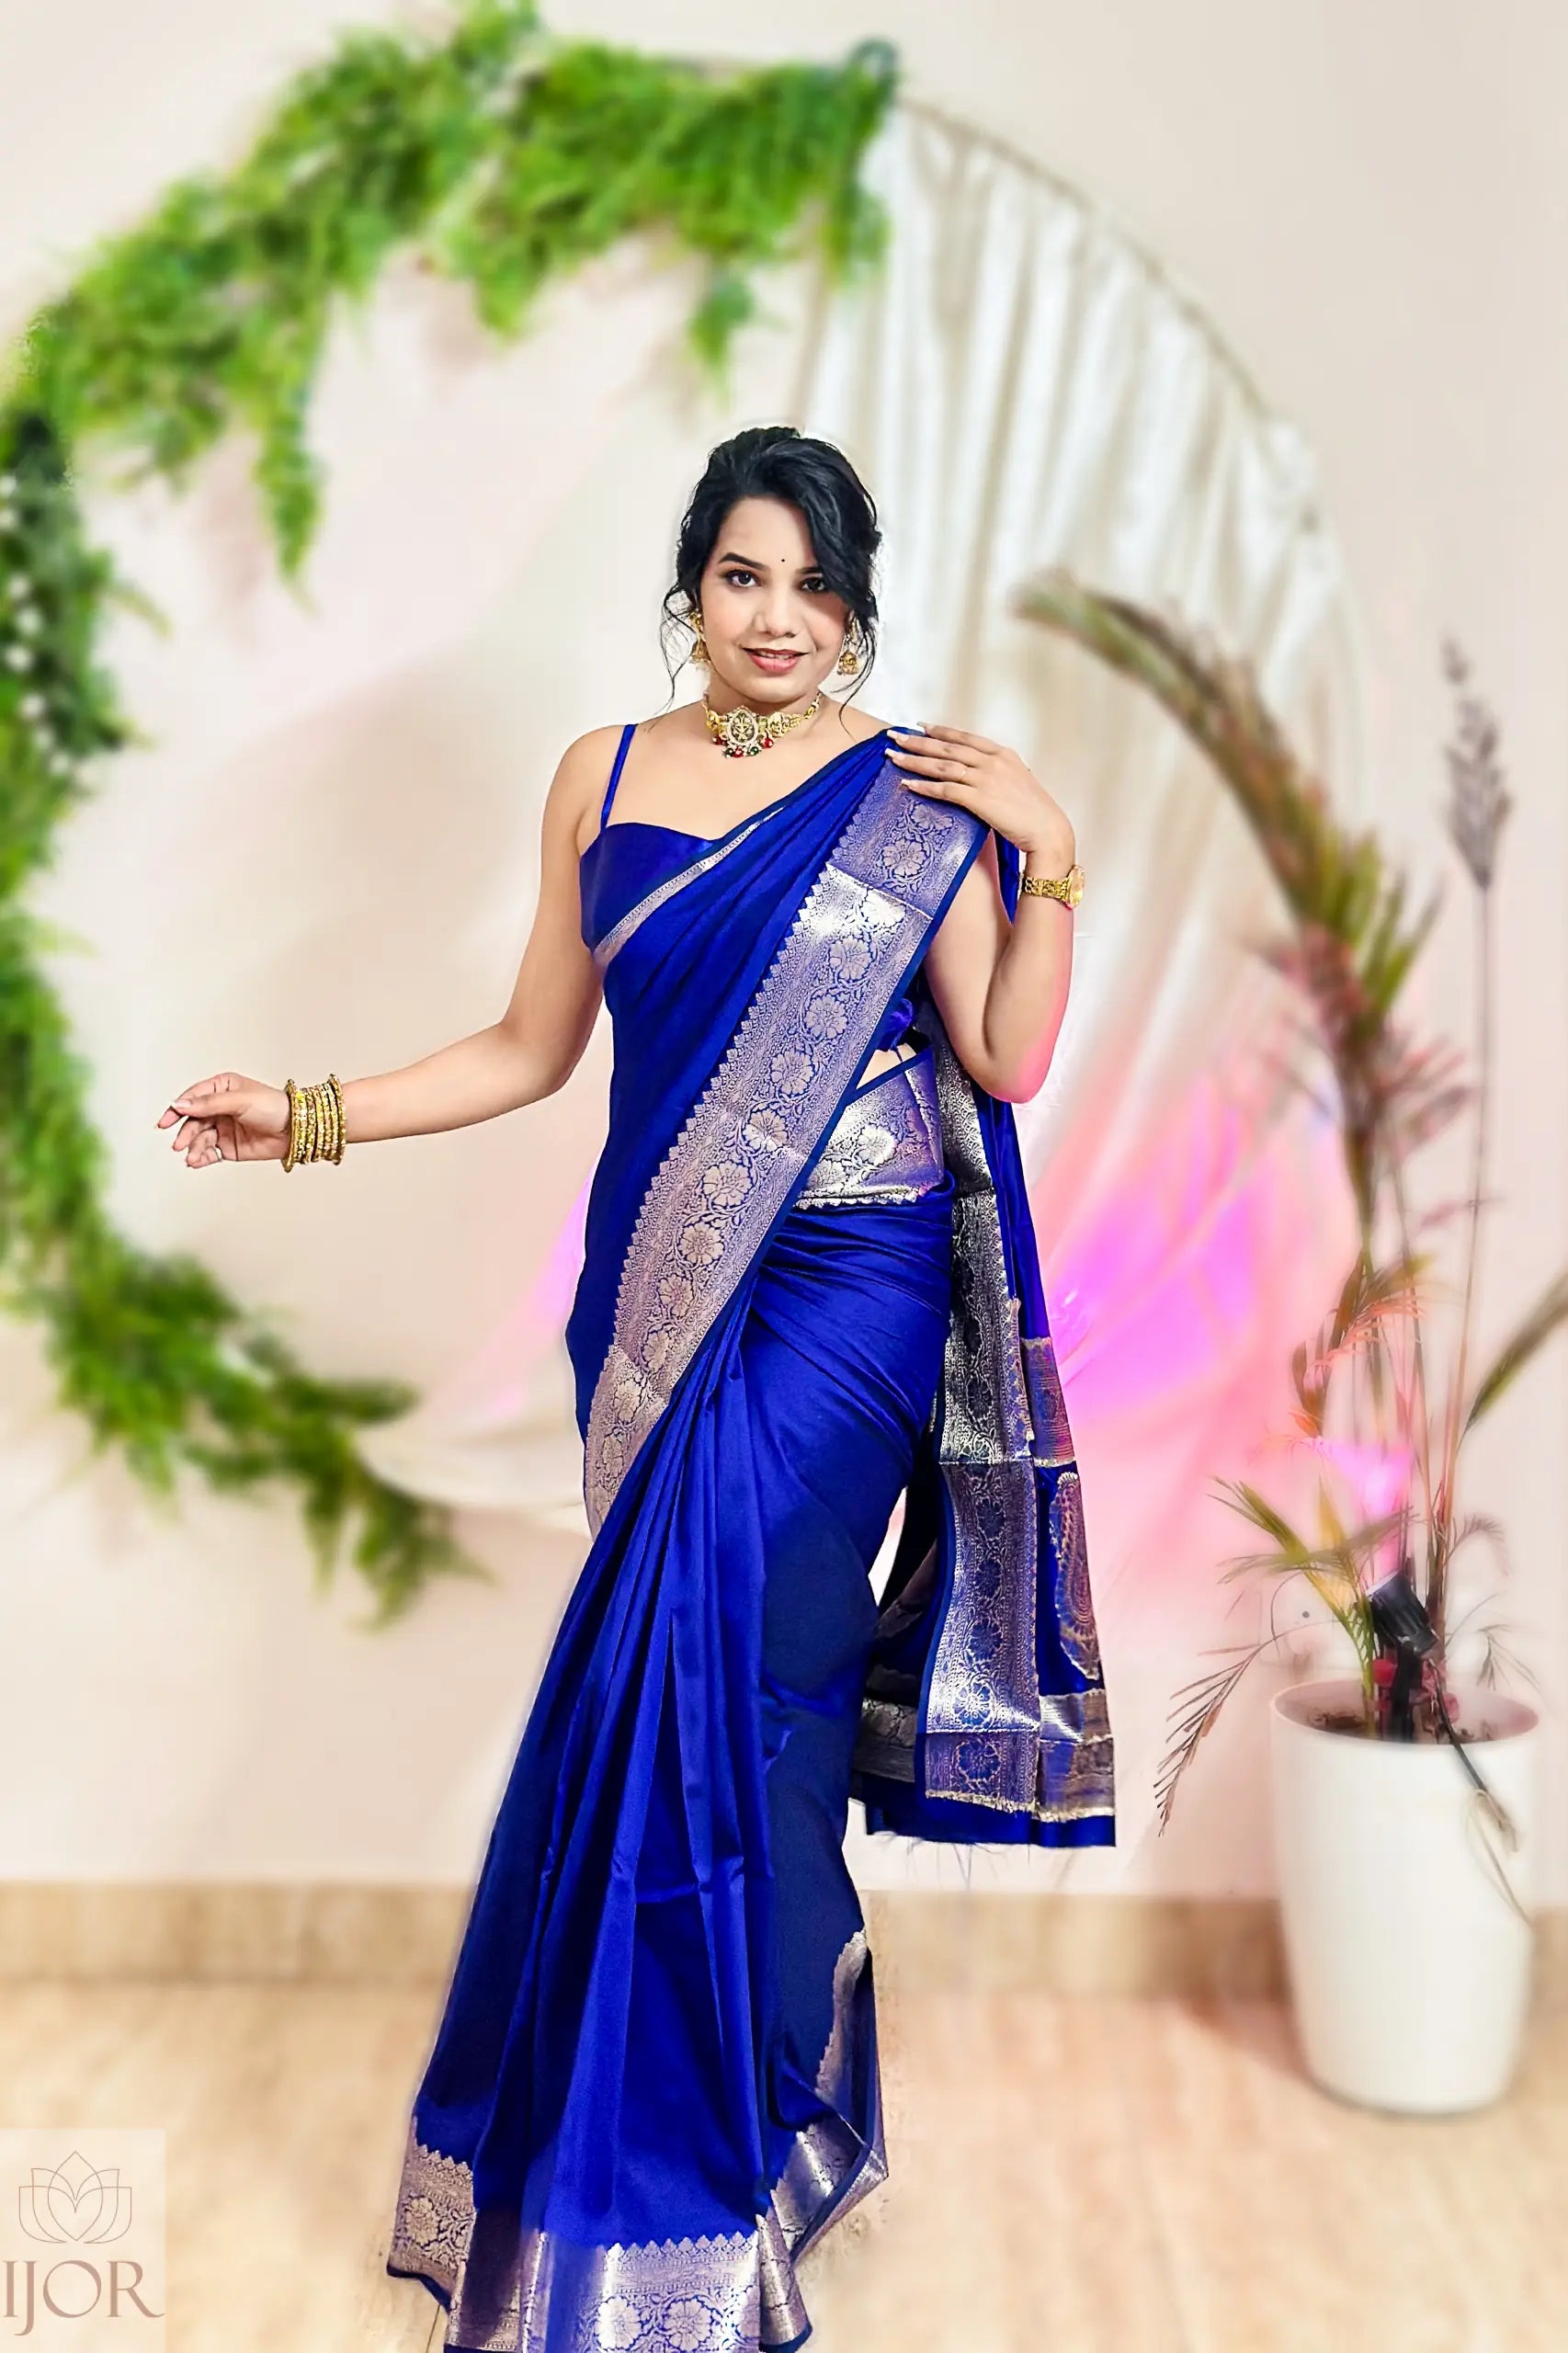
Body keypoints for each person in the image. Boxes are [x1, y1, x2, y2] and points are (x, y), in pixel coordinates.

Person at [156, 425, 1114, 2351]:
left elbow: (1003, 1059)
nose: (779, 617)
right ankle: (680, 2153)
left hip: (847, 1299)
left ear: (854, 610)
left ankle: (719, 2158)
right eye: (745, 576)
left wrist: (1051, 855)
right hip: (658, 1302)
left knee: (744, 1673)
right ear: (694, 587)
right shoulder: (595, 778)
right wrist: (309, 1112)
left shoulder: (909, 802)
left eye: (815, 587)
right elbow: (529, 1046)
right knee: (660, 1698)